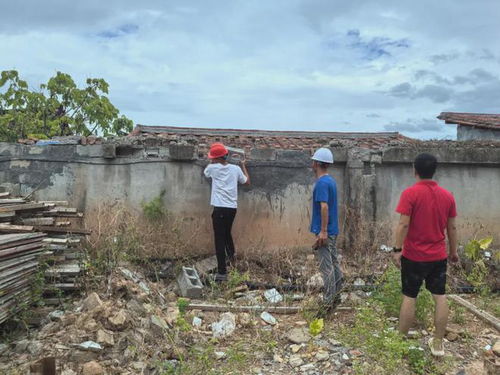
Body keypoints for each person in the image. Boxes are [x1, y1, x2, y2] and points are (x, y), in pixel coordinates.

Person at [392, 153, 458, 357]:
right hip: (438, 256)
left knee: (409, 296)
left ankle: (401, 343)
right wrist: (453, 252)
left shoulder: (410, 194)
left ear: (415, 170)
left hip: (414, 256)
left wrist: (396, 249)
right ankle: (438, 344)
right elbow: (452, 228)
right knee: (440, 296)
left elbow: (403, 224)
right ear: (434, 170)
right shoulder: (448, 196)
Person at [204, 142, 250, 282]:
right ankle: (232, 260)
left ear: (216, 158)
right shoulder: (236, 169)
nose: (211, 159)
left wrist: (211, 161)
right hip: (232, 208)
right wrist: (243, 165)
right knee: (227, 234)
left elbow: (206, 173)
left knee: (219, 238)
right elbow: (247, 182)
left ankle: (222, 272)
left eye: (212, 157)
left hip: (219, 208)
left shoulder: (212, 168)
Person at [310, 147, 342, 311]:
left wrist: (322, 231)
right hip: (332, 229)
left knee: (326, 266)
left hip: (325, 231)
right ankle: (337, 295)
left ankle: (328, 302)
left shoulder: (322, 183)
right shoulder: (331, 181)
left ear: (316, 163)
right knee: (334, 262)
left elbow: (324, 207)